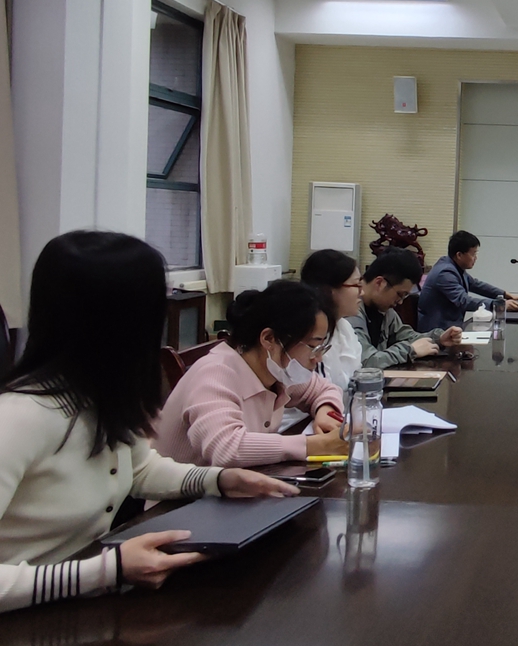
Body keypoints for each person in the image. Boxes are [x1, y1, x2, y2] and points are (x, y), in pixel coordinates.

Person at [0, 231, 297, 613]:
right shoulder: (18, 419)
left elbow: (139, 468)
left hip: (76, 607)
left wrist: (219, 480)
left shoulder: (99, 398)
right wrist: (108, 569)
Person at [153, 281, 349, 468]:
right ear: (269, 339)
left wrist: (325, 411)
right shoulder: (214, 375)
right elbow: (227, 449)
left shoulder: (277, 370)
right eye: (313, 347)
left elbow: (323, 389)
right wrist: (316, 445)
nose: (318, 358)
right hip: (181, 492)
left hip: (236, 484)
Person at [348, 248, 463, 368]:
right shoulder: (350, 311)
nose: (400, 302)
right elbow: (366, 361)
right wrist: (409, 350)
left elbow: (407, 336)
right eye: (400, 294)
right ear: (380, 283)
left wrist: (439, 338)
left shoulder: (384, 310)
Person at [418, 230, 518, 331]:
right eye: (473, 254)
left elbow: (475, 284)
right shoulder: (445, 273)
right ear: (459, 255)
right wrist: (498, 305)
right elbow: (464, 301)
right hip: (436, 331)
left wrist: (505, 294)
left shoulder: (453, 267)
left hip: (449, 327)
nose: (475, 258)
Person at [300, 248, 363, 390]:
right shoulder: (309, 335)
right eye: (356, 285)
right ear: (329, 290)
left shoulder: (344, 327)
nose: (362, 292)